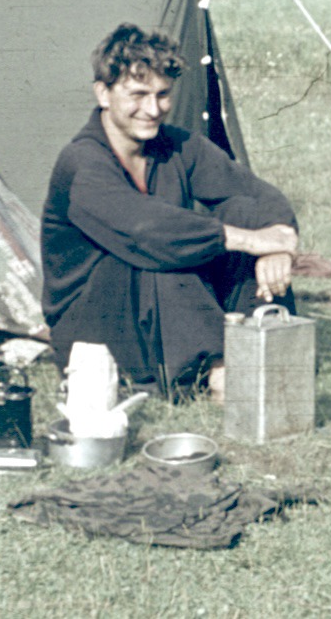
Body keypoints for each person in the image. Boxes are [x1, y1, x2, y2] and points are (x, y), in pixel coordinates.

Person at [40, 24, 299, 399]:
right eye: (138, 94)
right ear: (103, 93)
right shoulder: (82, 163)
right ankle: (222, 369)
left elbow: (255, 193)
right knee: (161, 244)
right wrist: (250, 240)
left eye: (163, 94)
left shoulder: (177, 146)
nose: (152, 109)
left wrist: (276, 243)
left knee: (241, 212)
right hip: (95, 323)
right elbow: (145, 230)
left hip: (159, 305)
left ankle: (258, 346)